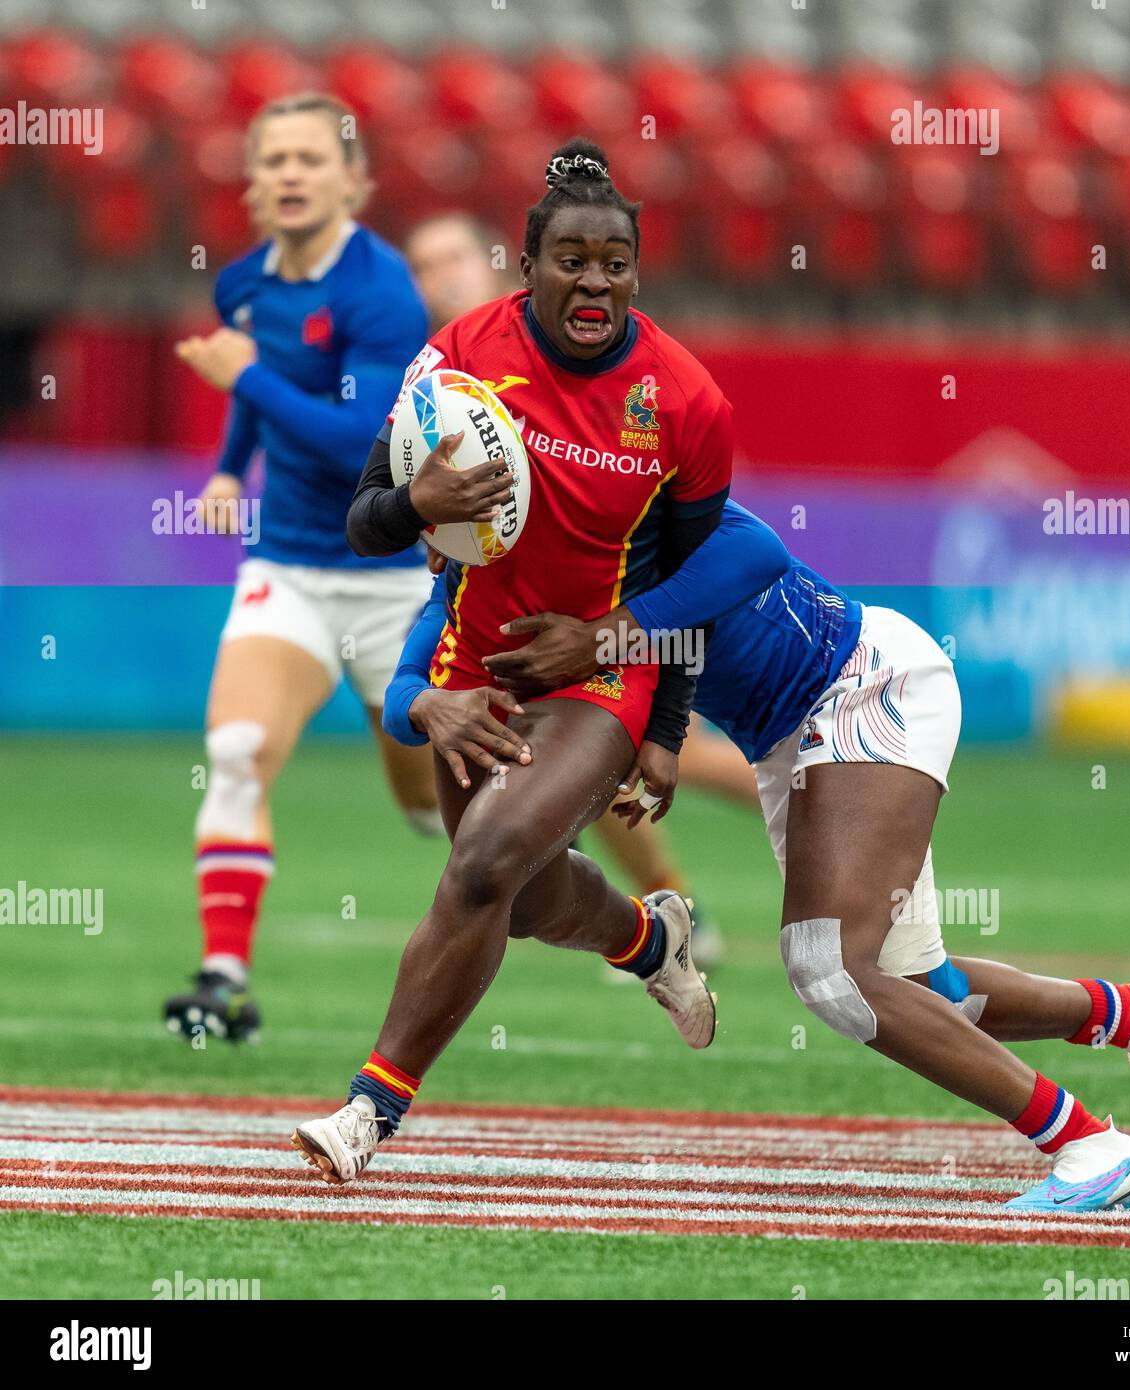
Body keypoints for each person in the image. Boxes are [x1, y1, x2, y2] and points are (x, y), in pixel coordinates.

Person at [383, 502, 1130, 1210]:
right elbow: (433, 674)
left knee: (833, 971)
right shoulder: (507, 573)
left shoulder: (619, 509)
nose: (436, 549)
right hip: (787, 736)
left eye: (449, 525)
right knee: (923, 995)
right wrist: (646, 733)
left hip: (858, 685)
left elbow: (744, 558)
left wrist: (632, 692)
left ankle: (1089, 1146)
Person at [291, 139, 786, 1184]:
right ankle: (650, 941)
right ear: (529, 265)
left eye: (615, 260)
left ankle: (368, 1110)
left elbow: (693, 581)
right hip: (478, 666)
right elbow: (364, 521)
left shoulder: (687, 403)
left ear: (635, 272)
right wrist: (417, 503)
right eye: (571, 258)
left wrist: (661, 730)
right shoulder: (459, 354)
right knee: (506, 895)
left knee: (478, 866)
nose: (594, 279)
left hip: (603, 676)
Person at [163, 93, 504, 1044]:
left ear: (354, 179)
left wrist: (246, 380)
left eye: (311, 158)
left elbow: (359, 437)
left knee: (430, 807)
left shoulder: (380, 292)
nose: (290, 174)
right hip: (291, 573)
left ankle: (580, 920)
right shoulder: (244, 284)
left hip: (394, 582)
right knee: (236, 755)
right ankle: (221, 980)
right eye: (273, 160)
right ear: (253, 182)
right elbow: (260, 382)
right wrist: (233, 462)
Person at [402, 210, 757, 967]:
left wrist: (649, 694)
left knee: (681, 758)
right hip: (507, 635)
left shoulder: (580, 351)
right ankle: (666, 922)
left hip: (622, 631)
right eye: (423, 267)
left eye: (453, 256)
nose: (440, 278)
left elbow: (722, 549)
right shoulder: (447, 372)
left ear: (505, 262)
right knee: (543, 824)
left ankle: (822, 807)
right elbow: (394, 511)